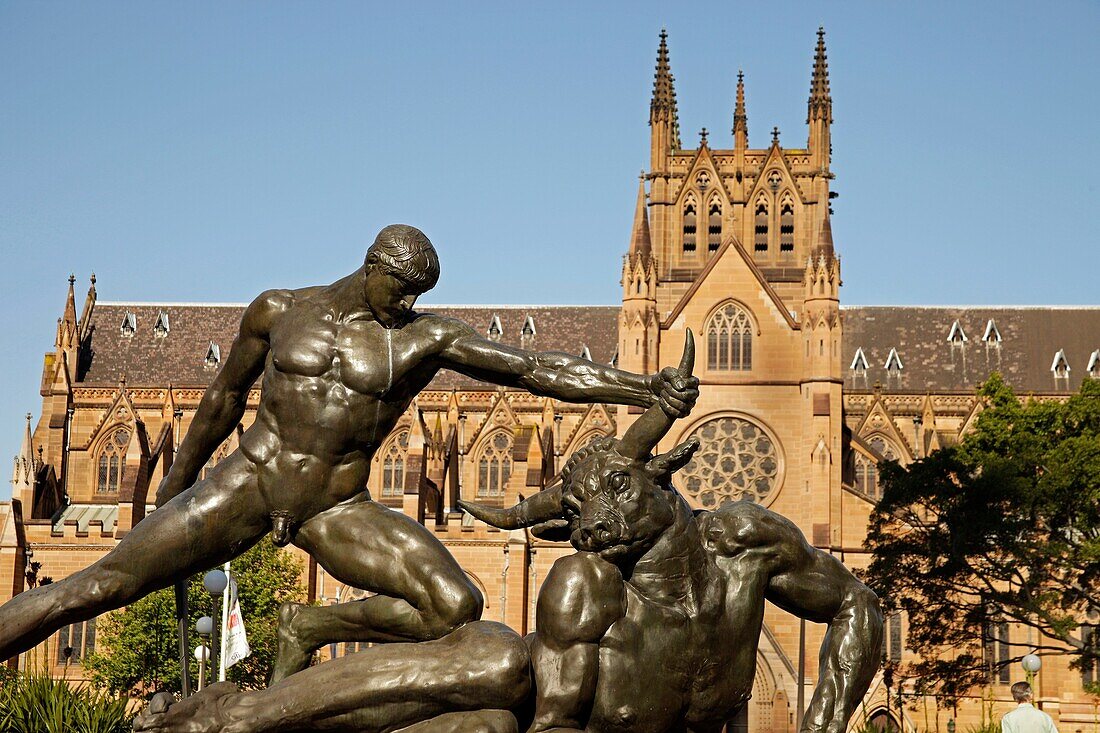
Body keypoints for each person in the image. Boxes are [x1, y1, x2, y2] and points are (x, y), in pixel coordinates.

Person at [0, 224, 699, 678]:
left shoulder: (423, 337)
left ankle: (313, 623)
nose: (406, 304)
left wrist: (643, 387)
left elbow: (534, 369)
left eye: (418, 295)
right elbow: (218, 402)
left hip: (337, 504)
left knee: (455, 601)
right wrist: (172, 490)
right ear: (372, 267)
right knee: (94, 587)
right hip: (253, 479)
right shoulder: (278, 309)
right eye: (400, 289)